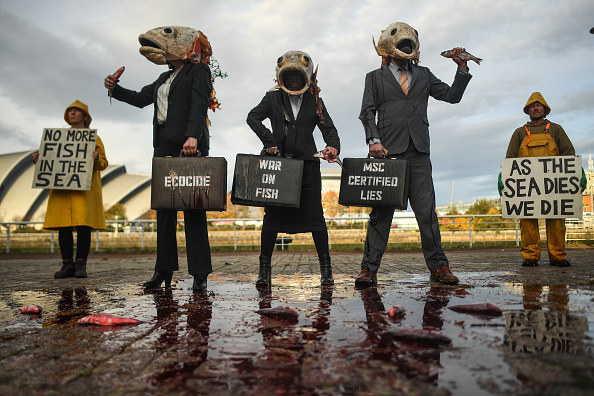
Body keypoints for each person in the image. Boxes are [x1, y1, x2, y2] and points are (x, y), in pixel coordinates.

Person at [355, 22, 472, 288]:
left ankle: (439, 267)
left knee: (427, 214)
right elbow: (366, 112)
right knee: (381, 217)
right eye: (401, 43)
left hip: (419, 153)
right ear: (388, 48)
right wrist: (373, 140)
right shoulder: (374, 77)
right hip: (386, 155)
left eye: (410, 43)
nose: (406, 47)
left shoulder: (424, 74)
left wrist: (461, 67)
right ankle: (368, 270)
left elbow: (453, 97)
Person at [104, 30, 215, 292]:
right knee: (164, 210)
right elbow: (141, 99)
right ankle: (163, 270)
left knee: (193, 208)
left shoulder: (198, 72)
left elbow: (200, 105)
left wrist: (193, 137)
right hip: (163, 144)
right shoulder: (164, 77)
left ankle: (200, 273)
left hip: (189, 144)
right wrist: (114, 89)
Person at [247, 50, 340, 288]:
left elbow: (328, 128)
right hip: (280, 167)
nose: (295, 81)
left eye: (299, 77)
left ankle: (326, 270)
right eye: (290, 77)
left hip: (308, 166)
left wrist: (333, 147)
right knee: (272, 219)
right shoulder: (272, 98)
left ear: (305, 76)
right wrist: (270, 142)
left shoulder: (314, 99)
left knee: (316, 218)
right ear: (283, 77)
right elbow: (253, 117)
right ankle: (264, 270)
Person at [32, 100, 108, 279]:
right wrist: (40, 160)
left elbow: (103, 164)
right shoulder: (58, 137)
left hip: (84, 191)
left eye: (76, 110)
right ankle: (67, 263)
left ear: (85, 116)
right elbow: (51, 160)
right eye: (70, 111)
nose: (72, 113)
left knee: (83, 227)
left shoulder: (94, 138)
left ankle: (81, 264)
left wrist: (96, 158)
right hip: (63, 191)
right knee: (64, 227)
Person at [504, 92, 575, 267]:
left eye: (539, 105)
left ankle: (558, 256)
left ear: (545, 109)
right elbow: (510, 159)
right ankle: (530, 256)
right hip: (528, 189)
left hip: (554, 187)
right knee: (527, 221)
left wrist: (576, 172)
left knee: (557, 220)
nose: (536, 108)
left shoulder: (556, 129)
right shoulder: (519, 133)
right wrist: (503, 177)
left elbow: (569, 153)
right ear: (527, 110)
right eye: (532, 106)